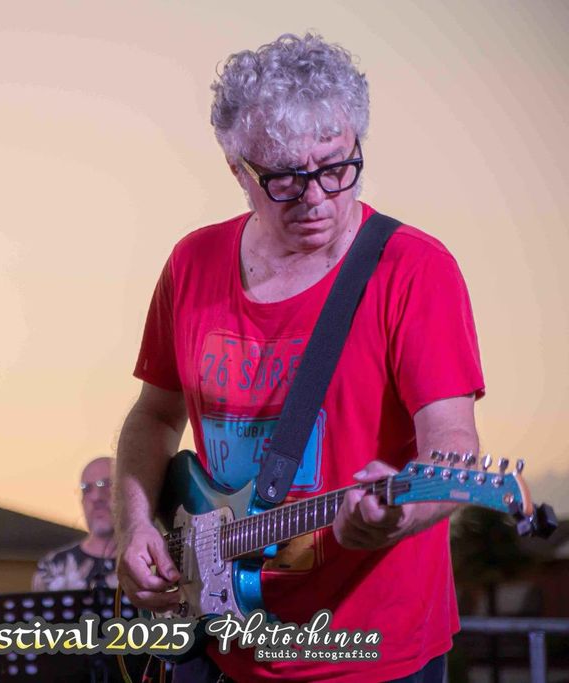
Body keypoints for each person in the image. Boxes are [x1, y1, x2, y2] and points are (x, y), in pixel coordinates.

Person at [115, 33, 484, 683]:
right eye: (285, 178)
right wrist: (135, 524)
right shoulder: (192, 263)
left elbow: (453, 447)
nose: (317, 199)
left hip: (372, 653)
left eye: (336, 167)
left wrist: (402, 513)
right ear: (238, 171)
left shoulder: (415, 269)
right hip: (217, 642)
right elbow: (153, 416)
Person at [32, 457, 117, 591]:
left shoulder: (149, 560)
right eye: (87, 489)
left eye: (107, 485)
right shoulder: (52, 567)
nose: (96, 497)